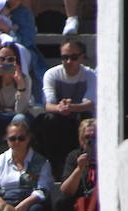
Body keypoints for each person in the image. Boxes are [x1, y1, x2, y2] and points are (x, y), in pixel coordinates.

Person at [33, 39, 96, 172]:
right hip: (59, 119)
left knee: (85, 118)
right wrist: (60, 108)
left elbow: (90, 104)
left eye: (73, 57)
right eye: (65, 57)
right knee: (48, 119)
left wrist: (71, 107)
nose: (69, 62)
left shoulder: (90, 75)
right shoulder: (52, 74)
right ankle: (54, 165)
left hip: (79, 117)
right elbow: (48, 105)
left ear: (82, 57)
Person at [55, 117, 96, 211]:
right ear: (81, 139)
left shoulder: (107, 155)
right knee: (62, 202)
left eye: (94, 137)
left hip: (99, 197)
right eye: (87, 137)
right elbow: (66, 190)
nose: (90, 142)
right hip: (79, 198)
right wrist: (79, 168)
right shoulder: (74, 156)